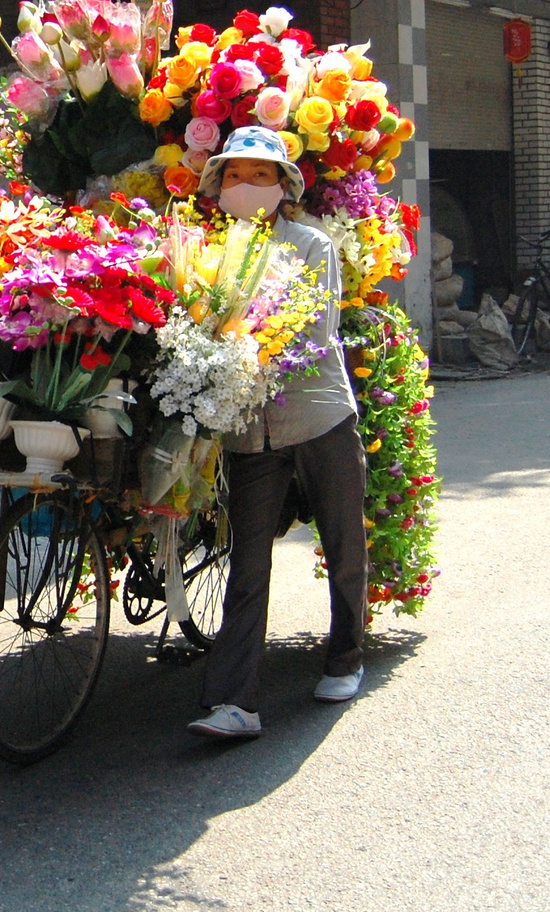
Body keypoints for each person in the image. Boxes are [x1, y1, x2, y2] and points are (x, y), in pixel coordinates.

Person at [186, 126, 370, 740]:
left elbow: (316, 331)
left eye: (261, 176)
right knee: (247, 564)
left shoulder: (312, 245)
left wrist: (240, 345)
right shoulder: (211, 253)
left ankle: (345, 656)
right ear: (219, 186)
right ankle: (235, 702)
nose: (246, 186)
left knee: (343, 540)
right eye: (235, 175)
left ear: (283, 187)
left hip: (318, 413)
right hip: (249, 434)